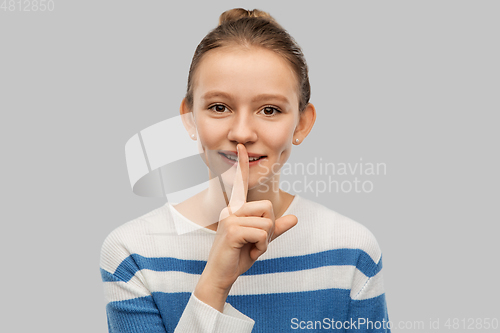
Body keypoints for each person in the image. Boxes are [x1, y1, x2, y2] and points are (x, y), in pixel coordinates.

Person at [100, 8, 390, 333]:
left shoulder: (351, 251)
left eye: (269, 110)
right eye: (219, 107)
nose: (242, 132)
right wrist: (214, 285)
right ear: (189, 118)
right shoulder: (133, 253)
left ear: (302, 123)